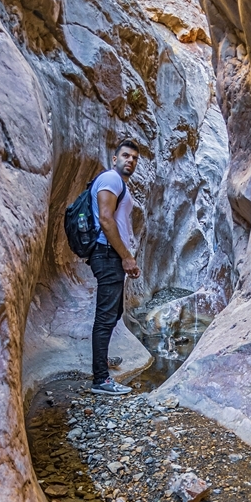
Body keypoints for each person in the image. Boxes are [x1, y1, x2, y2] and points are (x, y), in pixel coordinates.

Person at [88, 138, 141, 396]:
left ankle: (102, 360)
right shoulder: (111, 179)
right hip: (107, 253)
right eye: (126, 156)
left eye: (134, 158)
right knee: (105, 316)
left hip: (111, 254)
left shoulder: (119, 184)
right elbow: (106, 220)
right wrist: (125, 256)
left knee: (114, 311)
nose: (130, 160)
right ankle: (100, 379)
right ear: (115, 158)